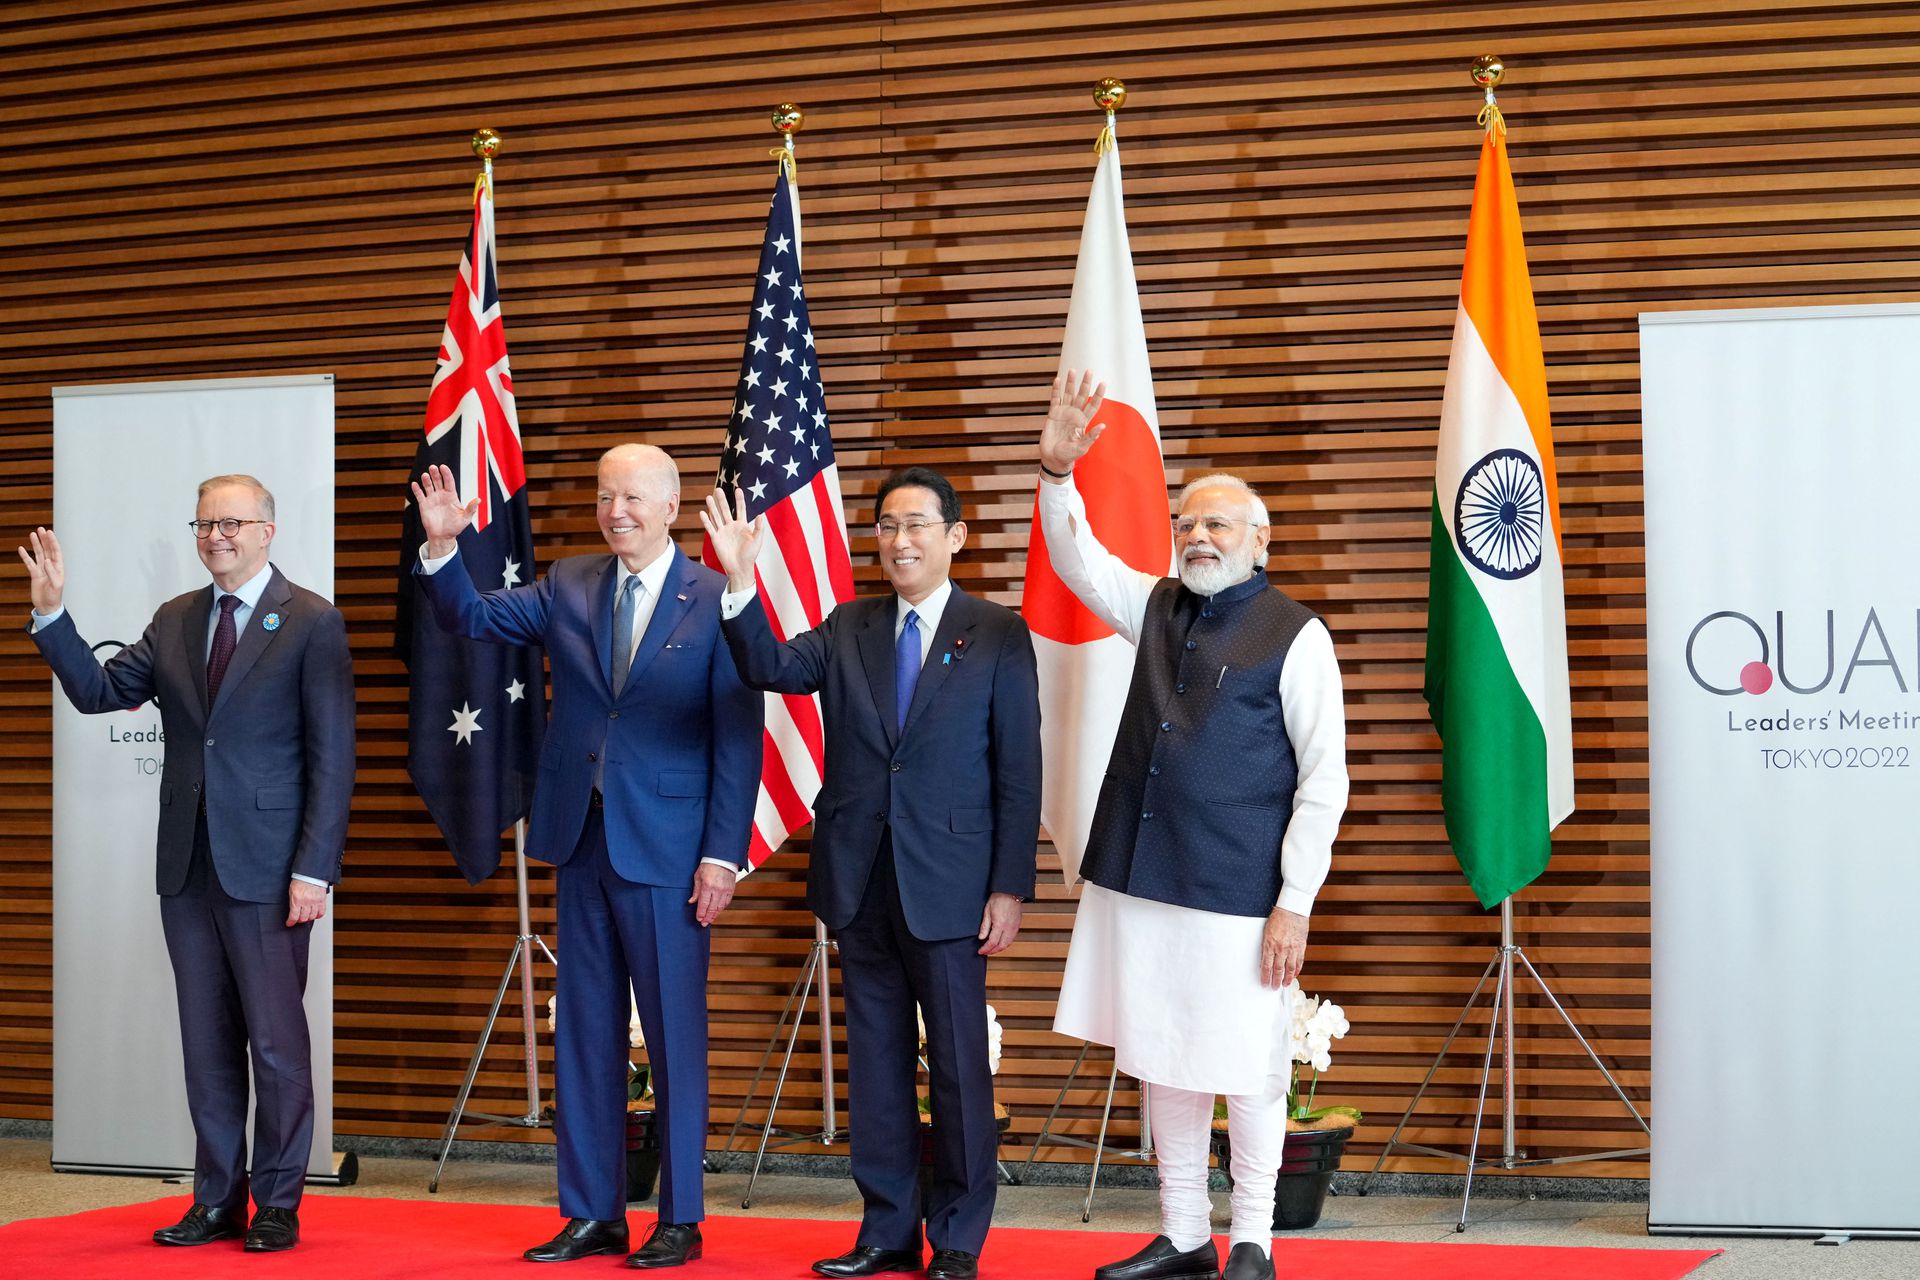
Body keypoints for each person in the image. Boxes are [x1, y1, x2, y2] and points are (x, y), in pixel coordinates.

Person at [410, 446, 761, 1268]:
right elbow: (471, 618)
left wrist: (723, 855)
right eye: (607, 496)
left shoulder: (719, 599)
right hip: (580, 838)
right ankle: (592, 1211)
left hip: (673, 852)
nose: (618, 511)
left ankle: (679, 1216)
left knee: (673, 1036)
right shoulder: (569, 583)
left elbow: (740, 740)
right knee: (585, 1034)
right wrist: (441, 549)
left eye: (634, 496)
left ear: (671, 505)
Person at [1035, 372, 1349, 1280]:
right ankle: (1184, 1235)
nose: (1198, 537)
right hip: (1141, 872)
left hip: (1241, 888)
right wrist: (1058, 473)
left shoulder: (1299, 634)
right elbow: (1076, 558)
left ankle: (1253, 1236)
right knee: (1159, 1051)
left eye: (1218, 525)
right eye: (1187, 525)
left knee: (1247, 1064)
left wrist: (1295, 902)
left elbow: (1323, 782)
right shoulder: (1157, 604)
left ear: (1260, 540)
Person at [702, 467, 1040, 1280]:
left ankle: (957, 1237)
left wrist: (1010, 885)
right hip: (860, 879)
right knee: (877, 1064)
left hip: (954, 884)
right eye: (887, 526)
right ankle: (886, 1230)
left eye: (918, 524)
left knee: (959, 1066)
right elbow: (769, 669)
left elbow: (1018, 770)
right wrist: (740, 582)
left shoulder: (997, 632)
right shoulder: (848, 625)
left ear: (955, 537)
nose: (900, 541)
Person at [18, 476, 355, 1254]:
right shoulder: (175, 619)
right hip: (188, 866)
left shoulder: (311, 621)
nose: (215, 536)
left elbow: (333, 759)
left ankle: (277, 1201)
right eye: (204, 523)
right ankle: (216, 1200)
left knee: (276, 1044)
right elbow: (102, 692)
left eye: (232, 522)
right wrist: (53, 615)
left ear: (268, 530)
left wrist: (316, 869)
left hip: (272, 870)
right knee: (205, 1044)